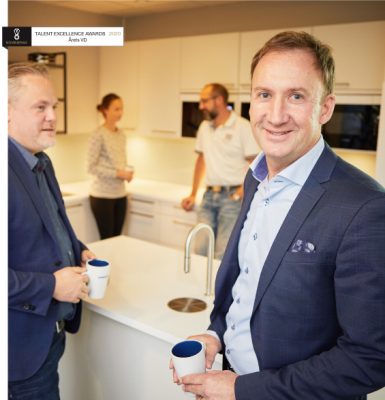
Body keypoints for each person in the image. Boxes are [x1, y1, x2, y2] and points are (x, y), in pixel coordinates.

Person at [172, 31, 385, 399]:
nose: (275, 115)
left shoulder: (364, 207)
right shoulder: (255, 180)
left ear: (326, 107)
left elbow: (370, 358)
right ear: (250, 103)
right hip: (229, 376)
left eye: (297, 96)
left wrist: (244, 390)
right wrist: (215, 334)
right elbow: (247, 285)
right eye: (264, 94)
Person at [8, 62, 95, 399]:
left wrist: (79, 249)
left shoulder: (41, 162)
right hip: (19, 352)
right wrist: (52, 285)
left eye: (54, 107)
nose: (52, 117)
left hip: (50, 337)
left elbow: (48, 228)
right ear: (7, 113)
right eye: (40, 107)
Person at [181, 83, 259, 259]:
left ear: (219, 100)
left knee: (222, 255)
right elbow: (201, 161)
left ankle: (217, 288)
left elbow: (256, 166)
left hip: (232, 199)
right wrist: (193, 194)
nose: (200, 106)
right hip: (209, 197)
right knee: (199, 251)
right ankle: (199, 287)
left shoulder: (242, 127)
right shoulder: (204, 127)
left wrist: (239, 193)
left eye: (204, 101)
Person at [87, 93, 134, 239]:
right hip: (102, 196)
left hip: (120, 194)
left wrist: (128, 172)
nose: (120, 113)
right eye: (116, 109)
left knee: (118, 239)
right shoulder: (98, 134)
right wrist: (118, 174)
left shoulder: (121, 134)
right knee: (107, 240)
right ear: (106, 111)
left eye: (121, 109)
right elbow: (91, 167)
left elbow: (120, 162)